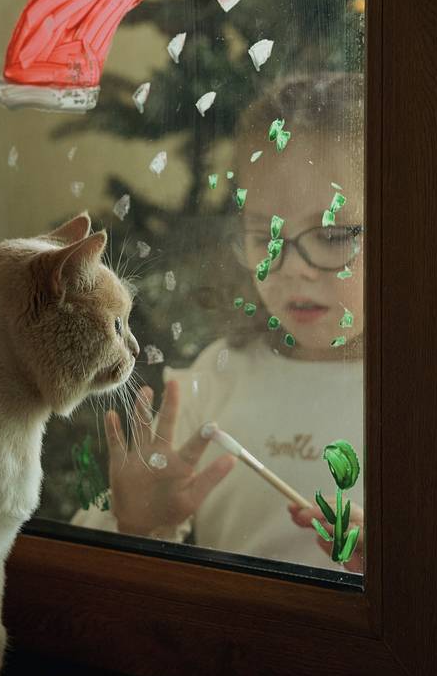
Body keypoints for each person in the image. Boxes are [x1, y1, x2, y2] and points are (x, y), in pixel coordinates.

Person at [71, 71, 365, 573]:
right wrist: (136, 524)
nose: (289, 267)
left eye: (334, 235)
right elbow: (85, 560)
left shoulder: (433, 398)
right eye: (264, 236)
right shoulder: (219, 376)